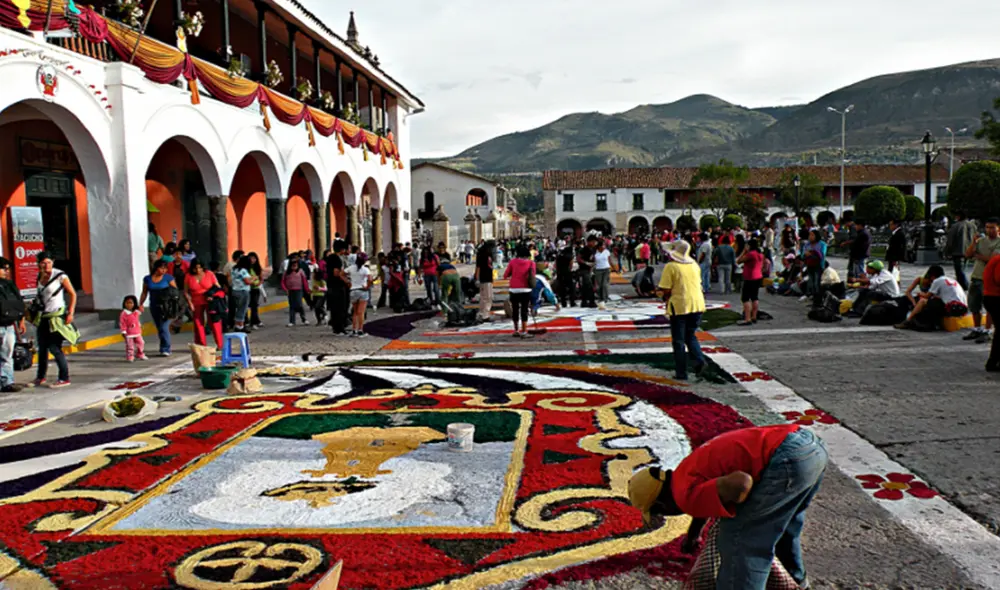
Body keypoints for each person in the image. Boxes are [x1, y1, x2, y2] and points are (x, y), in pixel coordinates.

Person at [627, 424, 828, 590]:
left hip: (786, 459)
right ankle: (798, 584)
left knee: (739, 540)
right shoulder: (683, 473)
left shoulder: (684, 496)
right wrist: (693, 535)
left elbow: (740, 484)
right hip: (809, 446)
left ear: (661, 504)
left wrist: (742, 511)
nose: (665, 516)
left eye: (659, 512)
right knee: (783, 530)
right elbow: (703, 500)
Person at [658, 241, 706, 381]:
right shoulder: (694, 265)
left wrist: (663, 295)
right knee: (690, 335)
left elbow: (665, 288)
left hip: (680, 305)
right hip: (697, 304)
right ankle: (699, 361)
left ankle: (681, 373)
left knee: (678, 341)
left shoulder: (671, 266)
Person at [28, 252, 77, 388]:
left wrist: (70, 312)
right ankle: (40, 377)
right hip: (43, 316)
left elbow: (73, 294)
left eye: (49, 262)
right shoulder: (39, 276)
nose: (46, 265)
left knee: (54, 347)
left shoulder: (60, 276)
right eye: (43, 263)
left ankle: (64, 377)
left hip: (57, 316)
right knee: (42, 347)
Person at [896, 265, 968, 331]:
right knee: (933, 302)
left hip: (952, 308)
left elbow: (927, 296)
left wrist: (920, 294)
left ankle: (907, 321)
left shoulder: (937, 281)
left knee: (922, 301)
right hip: (963, 308)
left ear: (932, 276)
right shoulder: (951, 280)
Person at [964, 218, 1000, 344]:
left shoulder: (998, 242)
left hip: (990, 280)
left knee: (989, 306)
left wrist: (978, 256)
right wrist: (974, 243)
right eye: (987, 227)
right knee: (974, 304)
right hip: (976, 276)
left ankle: (987, 330)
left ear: (998, 228)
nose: (989, 230)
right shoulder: (981, 241)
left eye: (992, 227)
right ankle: (977, 328)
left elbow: (993, 259)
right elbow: (968, 254)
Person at [139, 260, 178, 356]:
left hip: (166, 306)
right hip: (154, 305)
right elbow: (144, 292)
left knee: (164, 327)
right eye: (161, 268)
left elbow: (175, 292)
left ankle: (166, 348)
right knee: (159, 327)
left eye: (165, 268)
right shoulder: (147, 279)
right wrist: (140, 304)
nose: (163, 270)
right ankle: (163, 346)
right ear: (156, 268)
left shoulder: (168, 278)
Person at [0, 258, 26, 392]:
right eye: (3, 268)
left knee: (7, 355)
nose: (6, 271)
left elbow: (19, 303)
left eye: (7, 269)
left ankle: (7, 382)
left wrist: (21, 320)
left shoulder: (10, 285)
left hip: (9, 325)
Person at [184, 260, 224, 348]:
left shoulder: (209, 274)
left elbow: (218, 287)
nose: (198, 270)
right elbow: (186, 291)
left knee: (214, 322)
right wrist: (190, 302)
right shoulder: (188, 276)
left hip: (210, 301)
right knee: (198, 322)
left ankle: (219, 344)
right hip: (196, 301)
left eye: (199, 267)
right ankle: (202, 345)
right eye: (195, 268)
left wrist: (212, 296)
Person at [504, 245, 536, 338]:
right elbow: (533, 275)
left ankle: (516, 330)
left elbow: (506, 275)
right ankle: (524, 331)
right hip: (526, 289)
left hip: (514, 289)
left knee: (515, 309)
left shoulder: (513, 262)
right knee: (524, 309)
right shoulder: (531, 263)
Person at [946, 210, 976, 290]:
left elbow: (950, 240)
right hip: (969, 250)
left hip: (958, 251)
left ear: (958, 216)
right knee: (963, 269)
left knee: (959, 270)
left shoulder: (955, 226)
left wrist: (948, 251)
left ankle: (965, 285)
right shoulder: (972, 225)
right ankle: (961, 285)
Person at [737, 238, 764, 326]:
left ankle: (747, 318)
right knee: (754, 297)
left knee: (745, 298)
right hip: (758, 276)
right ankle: (754, 316)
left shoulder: (751, 254)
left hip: (750, 277)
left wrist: (744, 251)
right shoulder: (760, 254)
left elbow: (739, 260)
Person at [326, 241, 350, 335]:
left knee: (337, 307)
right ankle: (339, 328)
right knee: (340, 307)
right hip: (337, 285)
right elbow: (336, 273)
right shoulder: (335, 259)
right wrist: (346, 281)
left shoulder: (331, 258)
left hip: (333, 285)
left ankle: (339, 326)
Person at [981, 252, 1000, 372]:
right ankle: (993, 362)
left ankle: (994, 361)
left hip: (991, 297)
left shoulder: (996, 259)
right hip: (996, 298)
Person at [348, 253, 372, 336]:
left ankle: (354, 329)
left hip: (353, 290)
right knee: (361, 312)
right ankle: (360, 330)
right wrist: (367, 287)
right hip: (362, 291)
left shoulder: (351, 268)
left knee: (355, 312)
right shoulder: (365, 269)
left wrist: (348, 282)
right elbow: (370, 280)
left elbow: (341, 274)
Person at [281, 259, 309, 327]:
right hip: (290, 290)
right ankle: (292, 321)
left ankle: (304, 319)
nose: (294, 267)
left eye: (295, 265)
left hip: (299, 290)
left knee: (299, 304)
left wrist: (307, 289)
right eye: (293, 265)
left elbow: (304, 281)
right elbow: (282, 282)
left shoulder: (301, 271)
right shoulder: (286, 273)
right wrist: (285, 289)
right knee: (292, 306)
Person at [119, 295, 146, 362]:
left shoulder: (135, 312)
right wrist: (123, 331)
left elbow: (140, 311)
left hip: (137, 332)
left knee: (141, 343)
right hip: (129, 333)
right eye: (127, 303)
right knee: (129, 346)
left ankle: (140, 354)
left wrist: (141, 306)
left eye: (131, 303)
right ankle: (130, 356)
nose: (129, 305)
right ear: (124, 304)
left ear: (134, 304)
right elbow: (122, 323)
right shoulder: (124, 314)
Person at [230, 256, 254, 332]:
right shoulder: (243, 270)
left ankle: (237, 325)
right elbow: (247, 282)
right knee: (243, 309)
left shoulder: (234, 269)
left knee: (238, 308)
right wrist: (254, 279)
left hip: (235, 290)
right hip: (243, 291)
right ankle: (240, 326)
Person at [802, 229, 828, 297]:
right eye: (809, 234)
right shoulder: (807, 244)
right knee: (811, 281)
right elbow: (802, 255)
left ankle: (818, 297)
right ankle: (813, 295)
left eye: (812, 235)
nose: (810, 236)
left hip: (818, 266)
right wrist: (805, 254)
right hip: (809, 265)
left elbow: (822, 255)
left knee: (817, 281)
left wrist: (811, 254)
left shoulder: (822, 244)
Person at [593, 239, 617, 309]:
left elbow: (609, 260)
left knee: (604, 285)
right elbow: (593, 261)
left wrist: (614, 268)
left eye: (604, 245)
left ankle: (605, 298)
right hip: (598, 270)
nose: (604, 246)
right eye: (603, 245)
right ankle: (600, 298)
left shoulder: (607, 252)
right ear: (599, 246)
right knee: (599, 286)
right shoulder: (595, 252)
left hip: (606, 269)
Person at [246, 252, 265, 330]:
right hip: (248, 289)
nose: (253, 260)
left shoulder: (257, 268)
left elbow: (261, 278)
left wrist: (259, 284)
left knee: (254, 306)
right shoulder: (246, 268)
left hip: (255, 289)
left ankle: (254, 322)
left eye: (254, 258)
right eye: (251, 258)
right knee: (249, 306)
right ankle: (252, 321)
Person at [477, 241, 495, 321]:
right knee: (487, 297)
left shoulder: (488, 254)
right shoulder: (482, 254)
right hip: (484, 277)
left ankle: (482, 313)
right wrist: (477, 278)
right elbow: (478, 267)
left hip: (488, 277)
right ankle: (485, 315)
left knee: (485, 296)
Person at [578, 236, 597, 308]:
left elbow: (593, 258)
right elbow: (579, 258)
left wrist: (593, 264)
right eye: (593, 242)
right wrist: (586, 263)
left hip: (590, 269)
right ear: (589, 242)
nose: (594, 243)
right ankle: (591, 302)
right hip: (584, 270)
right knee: (589, 286)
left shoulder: (593, 249)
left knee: (586, 287)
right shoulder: (584, 249)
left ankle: (584, 302)